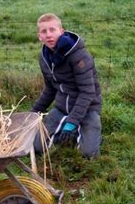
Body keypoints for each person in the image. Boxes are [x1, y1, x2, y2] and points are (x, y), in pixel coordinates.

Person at [31, 13, 102, 158]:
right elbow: (50, 89)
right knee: (36, 146)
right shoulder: (44, 58)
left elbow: (88, 92)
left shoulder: (79, 56)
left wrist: (72, 121)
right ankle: (68, 131)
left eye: (52, 30)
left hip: (88, 109)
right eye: (44, 31)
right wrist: (33, 113)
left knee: (88, 154)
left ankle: (82, 131)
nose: (49, 35)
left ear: (61, 32)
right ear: (39, 36)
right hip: (62, 108)